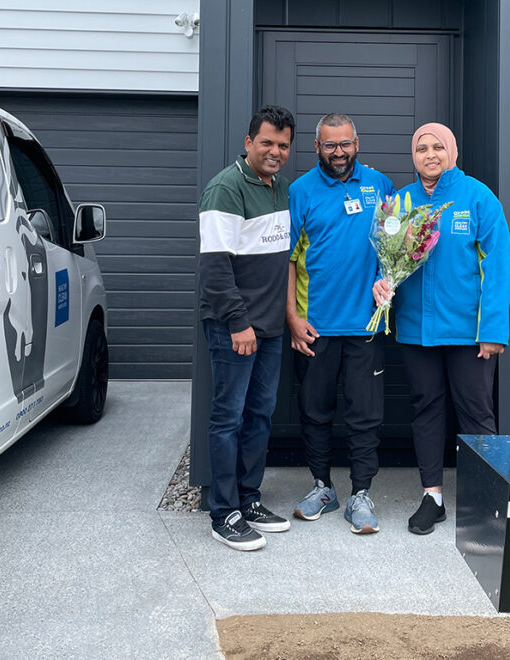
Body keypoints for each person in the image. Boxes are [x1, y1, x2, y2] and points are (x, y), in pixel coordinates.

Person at [373, 122, 510, 535]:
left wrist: (492, 329)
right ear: (413, 156)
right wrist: (382, 284)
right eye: (421, 148)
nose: (429, 154)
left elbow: (498, 266)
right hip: (417, 330)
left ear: (452, 151)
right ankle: (431, 497)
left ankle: (486, 501)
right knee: (426, 410)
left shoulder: (478, 198)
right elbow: (387, 261)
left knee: (476, 413)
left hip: (468, 332)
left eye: (438, 147)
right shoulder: (399, 202)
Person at [287, 113, 395, 534]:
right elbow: (288, 260)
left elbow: (392, 248)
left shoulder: (379, 186)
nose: (338, 152)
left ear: (356, 143)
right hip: (315, 328)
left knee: (365, 414)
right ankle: (322, 488)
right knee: (315, 411)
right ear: (316, 147)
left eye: (345, 143)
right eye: (330, 145)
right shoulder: (300, 191)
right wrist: (293, 319)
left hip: (365, 325)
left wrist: (387, 280)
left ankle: (361, 494)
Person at [197, 105, 296, 551]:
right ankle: (223, 512)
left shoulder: (279, 190)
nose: (275, 151)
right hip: (234, 327)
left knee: (259, 416)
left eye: (283, 145)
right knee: (228, 418)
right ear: (248, 143)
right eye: (267, 142)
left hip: (270, 328)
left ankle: (249, 498)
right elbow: (215, 269)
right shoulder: (226, 188)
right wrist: (239, 323)